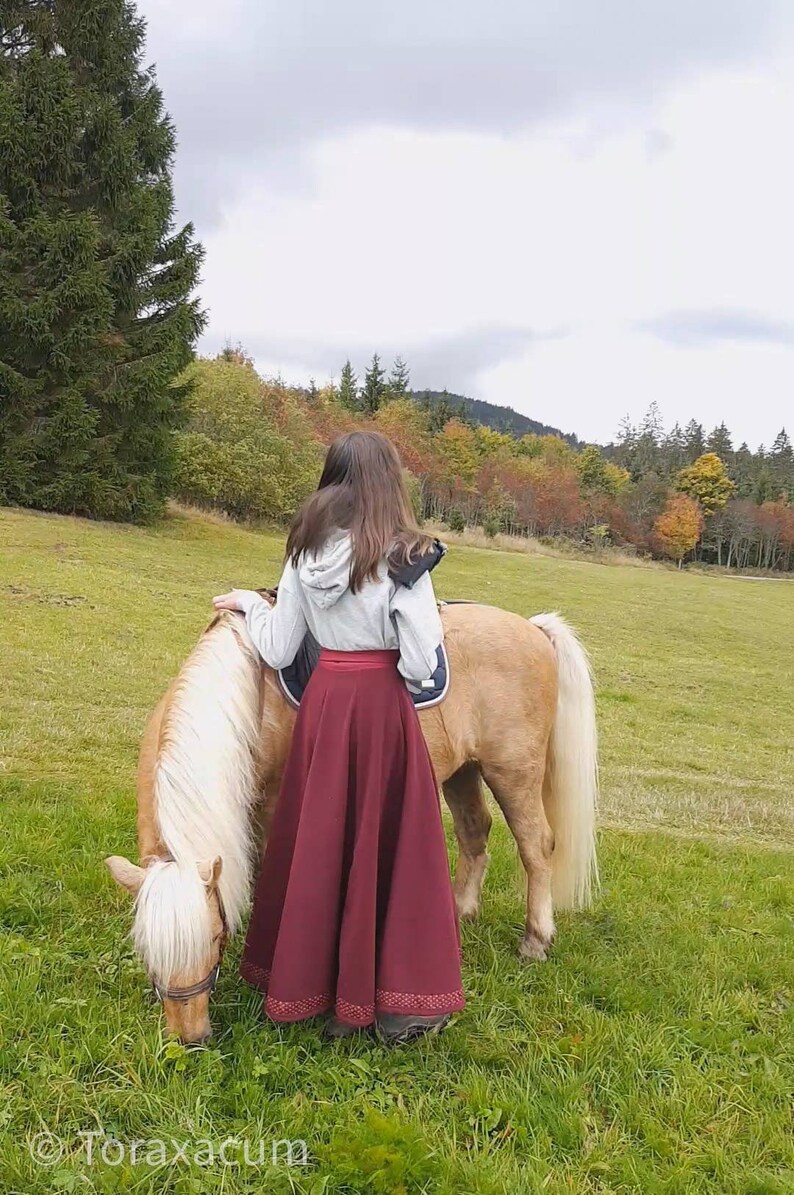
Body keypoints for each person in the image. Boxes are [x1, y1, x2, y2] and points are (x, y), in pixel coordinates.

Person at [213, 430, 464, 1044]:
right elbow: (421, 664)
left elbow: (277, 646)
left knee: (321, 839)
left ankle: (307, 984)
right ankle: (390, 999)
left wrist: (250, 601)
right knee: (389, 842)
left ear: (332, 479)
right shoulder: (405, 559)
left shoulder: (304, 552)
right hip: (380, 709)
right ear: (389, 484)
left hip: (325, 703)